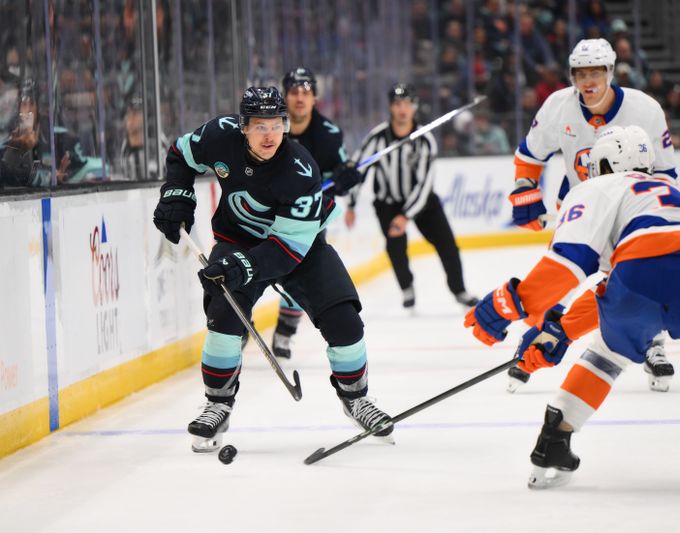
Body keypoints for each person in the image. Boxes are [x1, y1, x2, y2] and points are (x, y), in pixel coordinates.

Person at [469, 126, 680, 489]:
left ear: (604, 163)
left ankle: (554, 441)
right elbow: (626, 276)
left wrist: (509, 307)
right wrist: (560, 329)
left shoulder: (596, 188)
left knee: (607, 353)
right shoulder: (676, 194)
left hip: (639, 282)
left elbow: (571, 264)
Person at [152, 86, 393, 453]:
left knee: (344, 318)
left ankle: (355, 397)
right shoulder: (218, 135)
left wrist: (242, 267)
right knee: (223, 316)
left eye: (276, 125)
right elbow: (180, 154)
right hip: (238, 240)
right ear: (243, 126)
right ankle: (217, 403)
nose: (269, 135)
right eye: (260, 126)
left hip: (300, 247)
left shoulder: (300, 170)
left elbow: (287, 250)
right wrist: (176, 193)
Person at [505, 38, 677, 393]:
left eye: (596, 71)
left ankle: (653, 344)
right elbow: (529, 155)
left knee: (638, 279)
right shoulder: (558, 106)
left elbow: (665, 174)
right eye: (581, 73)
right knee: (558, 276)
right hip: (581, 207)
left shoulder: (645, 109)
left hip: (630, 211)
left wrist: (655, 214)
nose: (588, 81)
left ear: (611, 72)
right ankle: (537, 343)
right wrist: (525, 189)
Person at [346, 83, 478, 310]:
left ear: (415, 107)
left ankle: (459, 290)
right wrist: (351, 204)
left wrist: (406, 216)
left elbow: (425, 184)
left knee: (447, 244)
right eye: (397, 104)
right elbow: (358, 169)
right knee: (395, 247)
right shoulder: (377, 138)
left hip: (422, 202)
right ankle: (407, 287)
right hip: (387, 203)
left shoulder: (425, 140)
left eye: (407, 103)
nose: (402, 109)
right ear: (391, 107)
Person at [267, 66, 363, 360]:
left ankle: (285, 331)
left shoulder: (329, 135)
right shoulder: (268, 129)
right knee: (250, 271)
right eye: (294, 92)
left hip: (308, 220)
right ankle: (239, 326)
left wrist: (347, 182)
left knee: (300, 273)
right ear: (284, 96)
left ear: (315, 98)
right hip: (265, 213)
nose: (299, 98)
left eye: (305, 92)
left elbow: (345, 173)